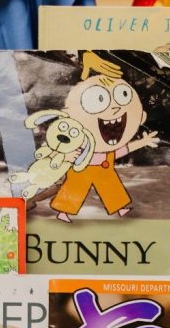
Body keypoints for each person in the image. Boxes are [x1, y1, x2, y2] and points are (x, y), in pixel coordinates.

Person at [50, 51, 160, 222]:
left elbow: (125, 149)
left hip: (104, 166)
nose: (114, 109)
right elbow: (65, 149)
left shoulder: (111, 146)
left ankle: (120, 208)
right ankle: (63, 212)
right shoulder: (79, 140)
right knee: (74, 187)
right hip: (82, 168)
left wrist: (144, 141)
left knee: (112, 187)